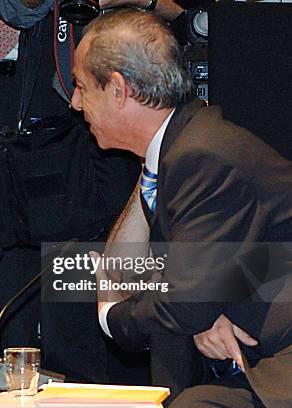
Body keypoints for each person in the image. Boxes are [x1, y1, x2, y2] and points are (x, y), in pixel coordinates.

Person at [71, 9, 292, 407]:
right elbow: (125, 266)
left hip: (278, 366)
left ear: (118, 90)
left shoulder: (204, 155)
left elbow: (183, 303)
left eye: (81, 86)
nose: (74, 102)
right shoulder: (179, 150)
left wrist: (110, 316)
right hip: (252, 359)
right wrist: (147, 167)